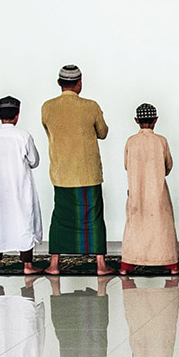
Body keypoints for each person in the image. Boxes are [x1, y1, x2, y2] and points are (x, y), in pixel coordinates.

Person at [41, 64, 112, 275]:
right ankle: (100, 264)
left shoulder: (47, 107)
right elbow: (103, 132)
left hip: (62, 173)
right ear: (79, 83)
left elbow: (48, 130)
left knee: (61, 217)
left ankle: (54, 264)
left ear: (59, 83)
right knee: (94, 217)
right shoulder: (91, 106)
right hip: (88, 172)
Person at [0, 96, 42, 274]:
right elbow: (34, 161)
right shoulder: (23, 136)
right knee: (24, 220)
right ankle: (27, 265)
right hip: (20, 186)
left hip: (0, 186)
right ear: (17, 115)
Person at [120, 103, 179, 274]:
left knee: (135, 225)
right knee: (162, 226)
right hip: (157, 190)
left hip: (136, 190)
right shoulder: (161, 141)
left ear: (136, 120)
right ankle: (170, 264)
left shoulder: (131, 141)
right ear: (155, 120)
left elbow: (126, 165)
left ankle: (128, 264)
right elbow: (168, 166)